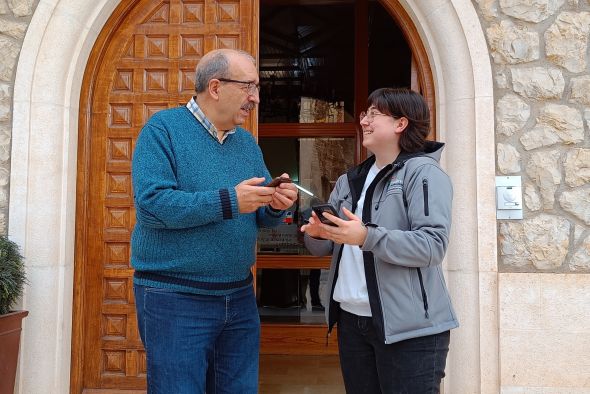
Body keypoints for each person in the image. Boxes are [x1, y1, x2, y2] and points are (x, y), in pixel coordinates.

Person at [131, 48, 298, 394]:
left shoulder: (247, 143)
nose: (255, 98)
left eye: (257, 89)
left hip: (238, 297)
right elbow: (152, 205)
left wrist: (276, 204)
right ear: (216, 86)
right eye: (248, 86)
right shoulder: (162, 130)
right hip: (174, 298)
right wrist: (230, 200)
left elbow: (259, 214)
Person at [301, 88, 458, 393]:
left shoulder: (424, 173)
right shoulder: (351, 179)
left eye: (374, 114)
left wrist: (367, 236)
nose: (364, 121)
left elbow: (432, 244)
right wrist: (321, 234)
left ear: (401, 123)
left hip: (410, 331)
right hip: (352, 322)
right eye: (365, 114)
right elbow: (326, 247)